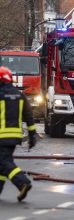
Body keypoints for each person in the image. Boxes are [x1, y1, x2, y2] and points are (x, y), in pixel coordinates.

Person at [0, 66, 37, 202]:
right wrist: (32, 135)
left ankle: (23, 182)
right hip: (15, 136)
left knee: (5, 162)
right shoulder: (19, 95)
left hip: (1, 136)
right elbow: (29, 116)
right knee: (2, 164)